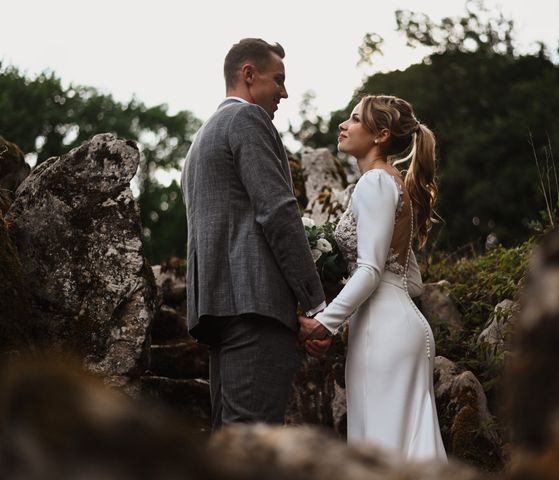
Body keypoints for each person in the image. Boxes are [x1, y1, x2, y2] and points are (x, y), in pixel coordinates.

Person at [181, 38, 329, 430]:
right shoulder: (247, 120)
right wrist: (316, 304)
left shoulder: (200, 140)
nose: (284, 92)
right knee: (252, 446)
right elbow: (277, 210)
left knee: (230, 443)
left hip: (217, 308)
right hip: (255, 308)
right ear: (249, 74)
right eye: (278, 79)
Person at [299, 95, 447, 460]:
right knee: (407, 452)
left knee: (380, 458)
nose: (342, 125)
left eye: (353, 120)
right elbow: (410, 281)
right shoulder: (395, 185)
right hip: (404, 327)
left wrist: (324, 324)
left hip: (383, 333)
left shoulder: (374, 183)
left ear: (380, 135)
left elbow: (370, 270)